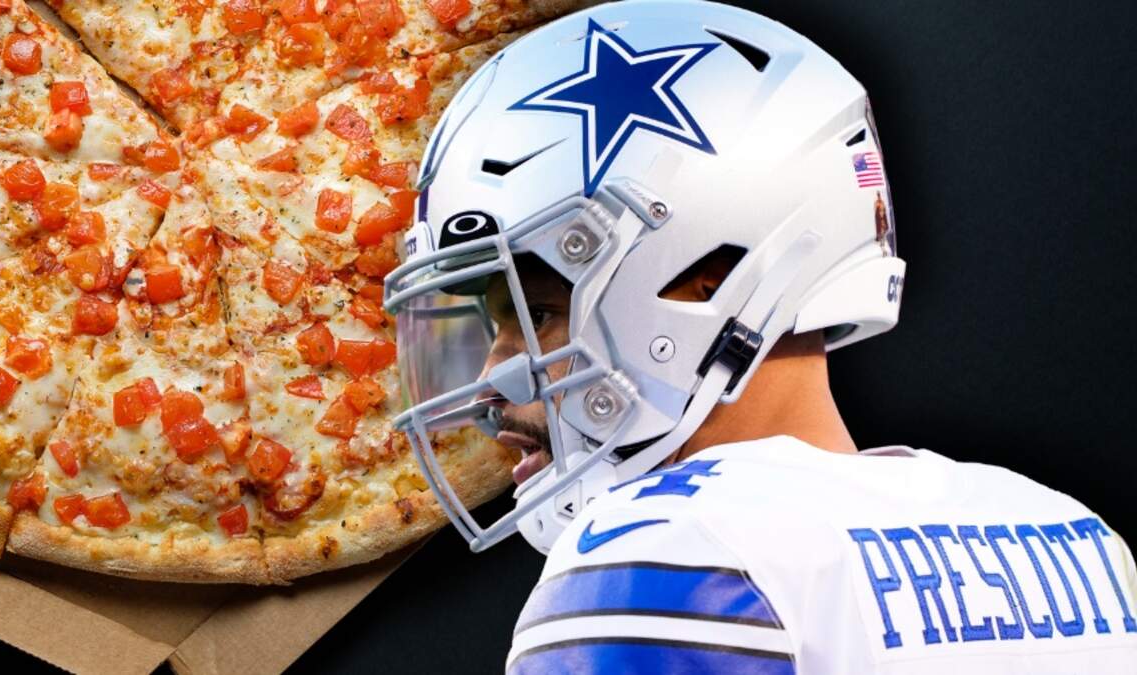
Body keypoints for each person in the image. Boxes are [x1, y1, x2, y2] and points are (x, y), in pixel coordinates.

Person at [382, 1, 1137, 672]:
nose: (491, 379)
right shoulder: (1064, 533)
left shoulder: (665, 553)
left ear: (703, 278)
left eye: (538, 312)